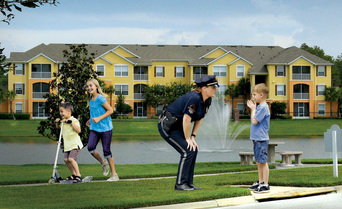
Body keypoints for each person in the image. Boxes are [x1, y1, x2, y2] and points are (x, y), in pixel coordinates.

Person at [158, 75, 218, 191]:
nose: (215, 89)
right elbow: (186, 119)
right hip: (168, 126)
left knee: (193, 149)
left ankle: (189, 183)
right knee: (187, 151)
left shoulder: (207, 100)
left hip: (179, 126)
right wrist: (187, 138)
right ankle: (180, 184)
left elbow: (200, 118)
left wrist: (193, 136)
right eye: (213, 87)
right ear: (204, 88)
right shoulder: (194, 98)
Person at [86, 78, 119, 181]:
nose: (89, 88)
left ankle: (114, 175)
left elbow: (110, 110)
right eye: (87, 86)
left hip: (106, 128)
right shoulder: (90, 98)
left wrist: (99, 118)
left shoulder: (100, 98)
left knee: (106, 151)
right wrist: (90, 119)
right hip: (94, 128)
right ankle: (103, 163)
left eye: (91, 85)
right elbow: (95, 112)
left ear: (96, 86)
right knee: (90, 147)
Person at [247, 83, 270, 193]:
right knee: (258, 162)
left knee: (263, 162)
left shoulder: (263, 108)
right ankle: (260, 182)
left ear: (261, 95)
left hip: (261, 138)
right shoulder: (260, 107)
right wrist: (254, 108)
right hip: (256, 138)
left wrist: (252, 109)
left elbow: (254, 121)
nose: (253, 97)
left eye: (254, 95)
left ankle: (265, 184)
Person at [55, 102, 83, 183]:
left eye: (62, 111)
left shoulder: (74, 120)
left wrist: (71, 123)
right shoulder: (63, 122)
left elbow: (79, 130)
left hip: (74, 144)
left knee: (71, 159)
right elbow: (58, 128)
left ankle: (78, 175)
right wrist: (57, 122)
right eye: (60, 112)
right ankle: (74, 174)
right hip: (67, 145)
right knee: (66, 160)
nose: (61, 113)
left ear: (68, 111)